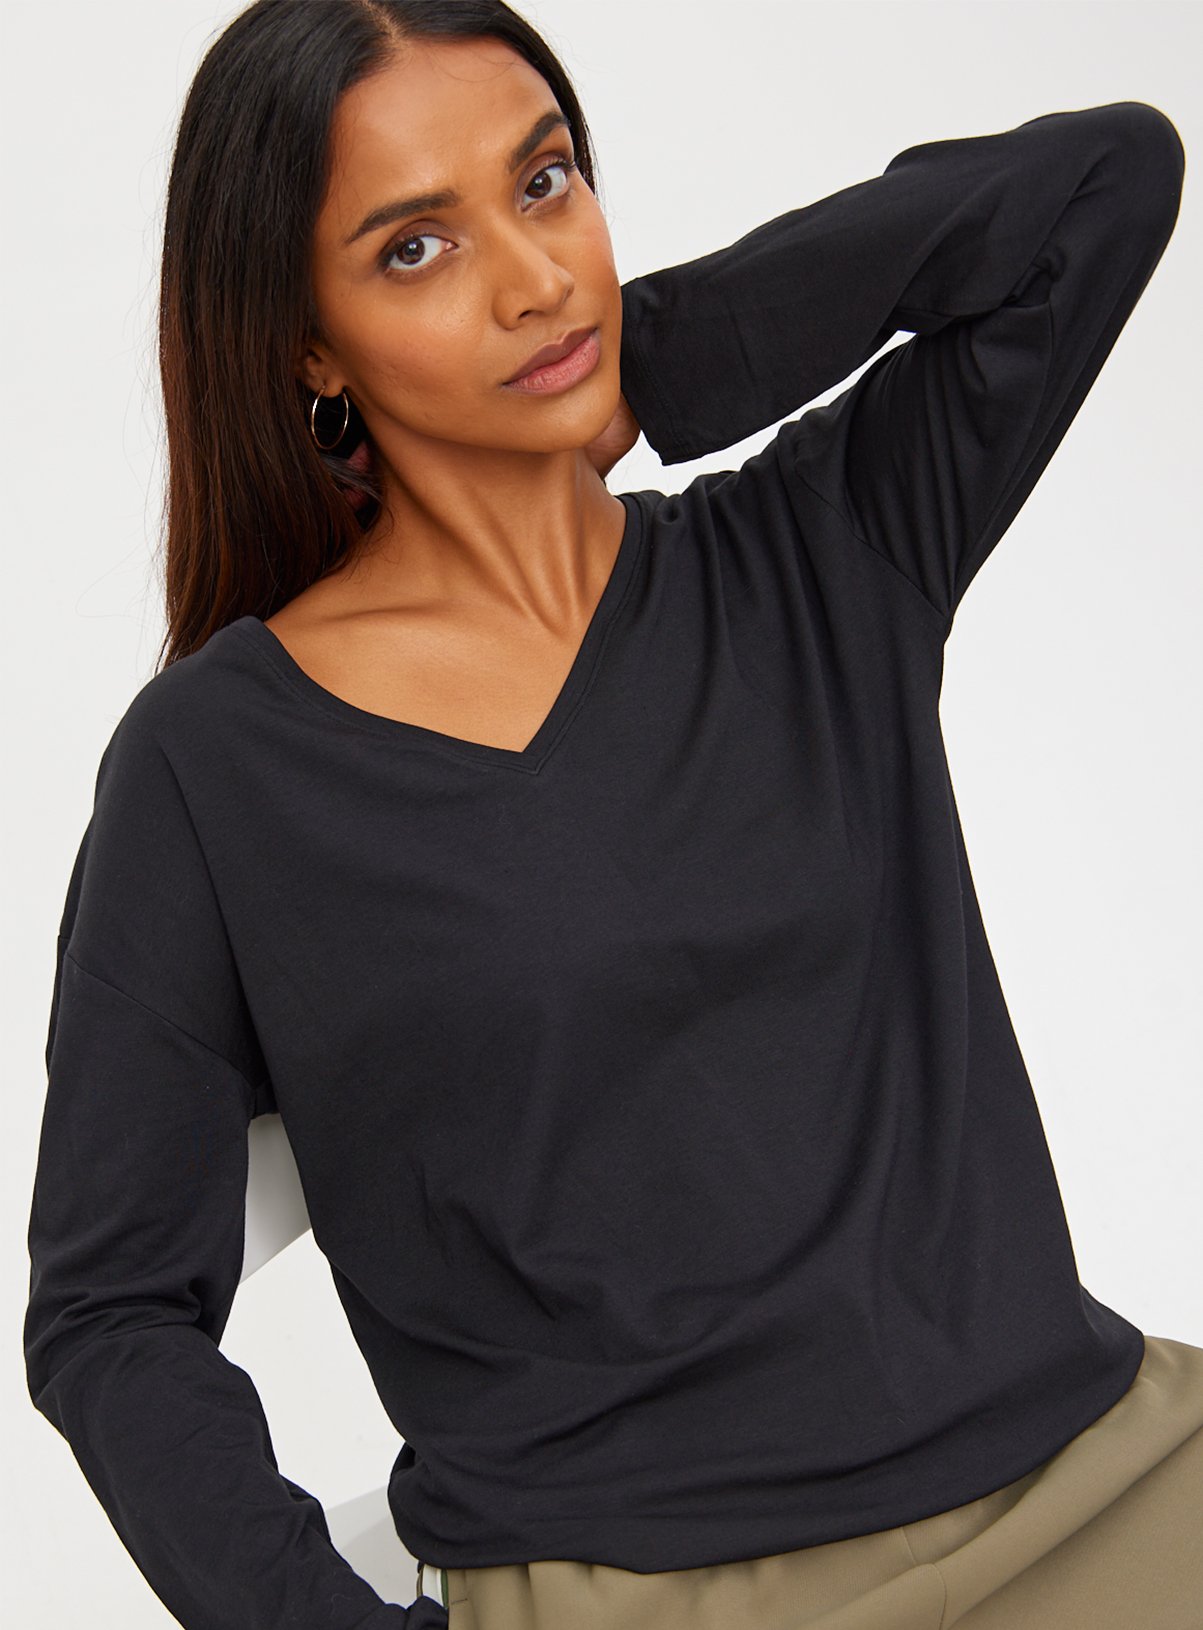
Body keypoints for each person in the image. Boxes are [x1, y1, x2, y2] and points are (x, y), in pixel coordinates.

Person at [22, 1, 1200, 1627]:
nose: (533, 279)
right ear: (308, 344)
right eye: (416, 248)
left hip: (1100, 1472)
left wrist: (667, 359)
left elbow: (1108, 183)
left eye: (545, 180)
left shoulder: (822, 551)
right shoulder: (217, 768)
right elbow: (109, 1313)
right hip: (647, 1590)